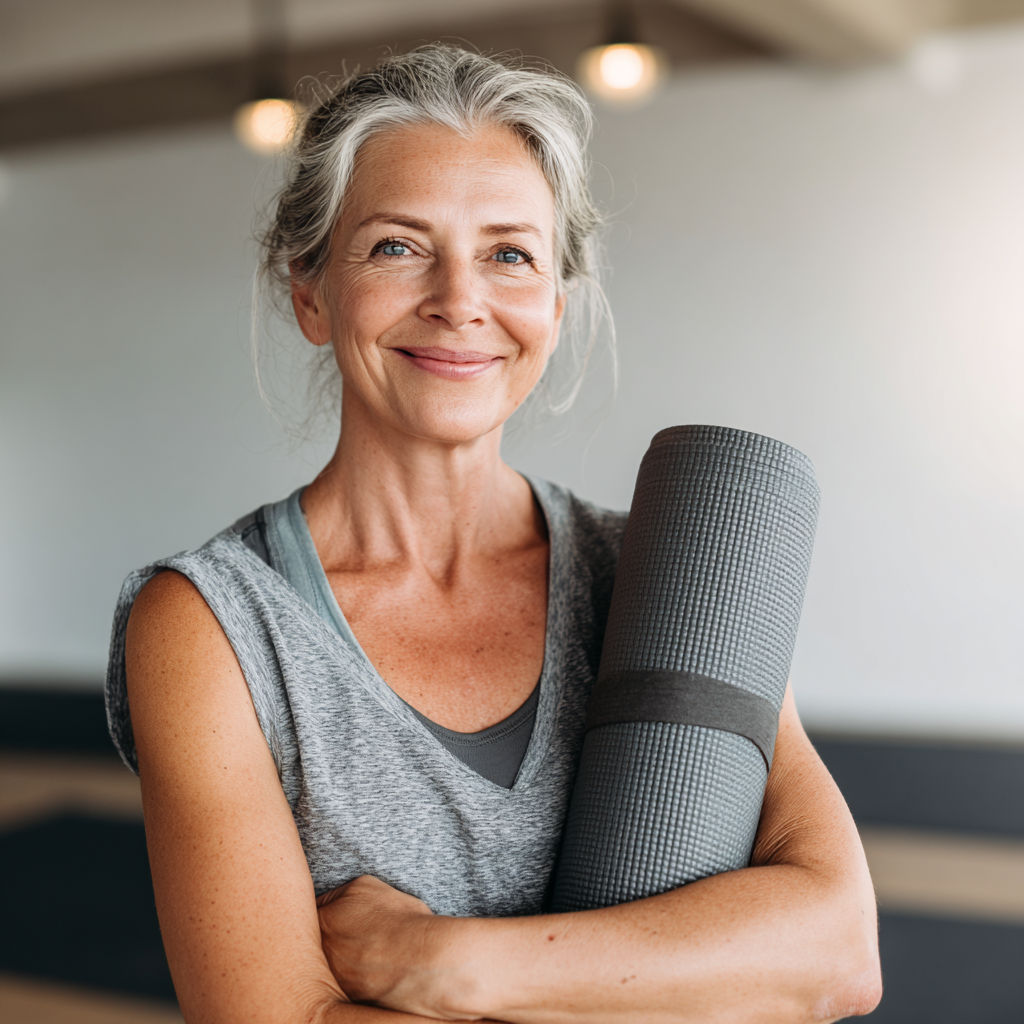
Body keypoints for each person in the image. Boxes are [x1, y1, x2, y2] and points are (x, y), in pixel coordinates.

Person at [108, 45, 881, 1024]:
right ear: (309, 291)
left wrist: (454, 965)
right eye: (396, 245)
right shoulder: (214, 625)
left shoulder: (664, 574)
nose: (460, 299)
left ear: (553, 307)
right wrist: (689, 981)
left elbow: (836, 952)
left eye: (508, 253)